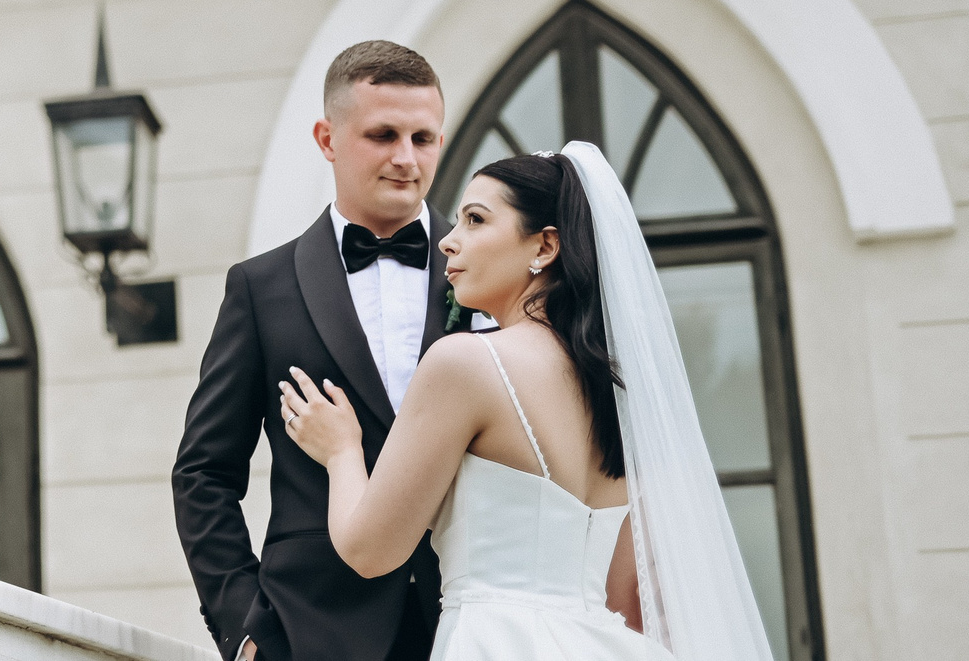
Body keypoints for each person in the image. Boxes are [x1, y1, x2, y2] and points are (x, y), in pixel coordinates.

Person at [277, 143, 778, 661]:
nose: (448, 241)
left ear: (544, 247)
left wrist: (341, 451)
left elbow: (369, 551)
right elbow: (626, 588)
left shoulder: (465, 364)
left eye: (475, 219)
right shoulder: (620, 393)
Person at [174, 40, 456, 661]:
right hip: (313, 633)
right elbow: (204, 474)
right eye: (383, 135)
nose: (406, 159)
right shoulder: (261, 289)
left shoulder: (491, 277)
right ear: (327, 138)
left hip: (468, 620)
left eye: (424, 138)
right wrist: (243, 630)